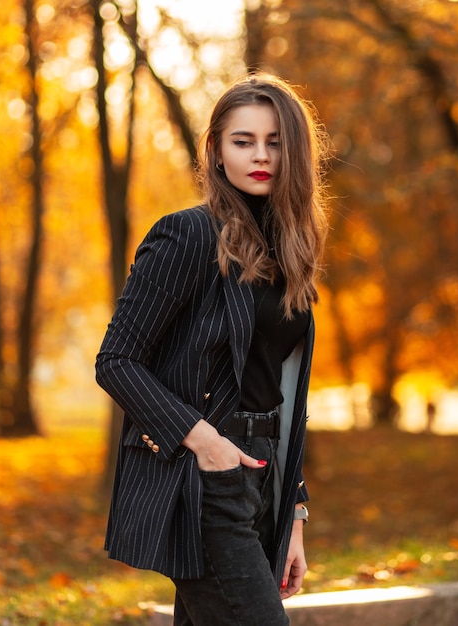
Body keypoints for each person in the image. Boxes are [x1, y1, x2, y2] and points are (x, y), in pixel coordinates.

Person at [95, 73, 329, 626]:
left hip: (263, 480)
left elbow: (278, 391)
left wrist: (293, 513)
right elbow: (116, 360)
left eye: (275, 142)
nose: (260, 155)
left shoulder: (290, 251)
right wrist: (205, 443)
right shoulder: (189, 236)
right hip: (206, 481)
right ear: (217, 152)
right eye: (243, 141)